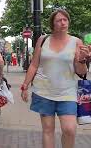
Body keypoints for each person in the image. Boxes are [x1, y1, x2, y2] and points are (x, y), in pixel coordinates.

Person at [20, 9, 90, 148]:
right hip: (43, 91)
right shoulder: (43, 40)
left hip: (67, 92)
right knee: (48, 130)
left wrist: (82, 60)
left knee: (69, 129)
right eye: (59, 20)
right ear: (53, 24)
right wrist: (25, 85)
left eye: (65, 19)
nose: (63, 23)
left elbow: (81, 72)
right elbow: (34, 64)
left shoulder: (76, 42)